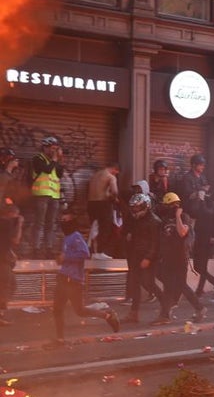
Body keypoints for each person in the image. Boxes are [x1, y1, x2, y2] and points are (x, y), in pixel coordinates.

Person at [53, 206, 120, 340]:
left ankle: (107, 315)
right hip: (64, 277)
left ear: (72, 221)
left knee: (80, 310)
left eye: (65, 220)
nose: (63, 223)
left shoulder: (76, 237)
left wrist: (66, 257)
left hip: (73, 280)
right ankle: (59, 338)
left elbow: (85, 253)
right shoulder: (67, 238)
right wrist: (61, 259)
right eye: (62, 220)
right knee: (57, 309)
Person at [153, 192, 205, 326]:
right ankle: (165, 314)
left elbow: (182, 232)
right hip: (167, 257)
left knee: (181, 285)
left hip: (179, 257)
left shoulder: (184, 217)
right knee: (169, 287)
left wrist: (177, 216)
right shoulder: (164, 220)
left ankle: (199, 308)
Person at [122, 192, 162, 324]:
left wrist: (148, 258)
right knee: (134, 284)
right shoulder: (137, 220)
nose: (135, 210)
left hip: (148, 257)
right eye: (134, 208)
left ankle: (166, 306)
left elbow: (156, 243)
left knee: (148, 283)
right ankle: (134, 314)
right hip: (136, 255)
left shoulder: (154, 221)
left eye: (138, 208)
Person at [28, 136, 64, 258]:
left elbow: (60, 174)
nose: (54, 151)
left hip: (54, 196)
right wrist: (54, 159)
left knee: (51, 224)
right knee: (39, 223)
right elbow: (47, 170)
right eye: (52, 148)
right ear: (45, 147)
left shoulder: (54, 161)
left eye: (56, 149)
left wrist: (60, 159)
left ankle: (48, 249)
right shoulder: (37, 159)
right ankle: (36, 250)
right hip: (41, 195)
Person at [0, 197, 22, 327]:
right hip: (2, 262)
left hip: (4, 258)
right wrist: (19, 224)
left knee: (9, 286)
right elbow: (15, 240)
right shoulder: (7, 223)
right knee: (6, 287)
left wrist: (11, 253)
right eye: (16, 215)